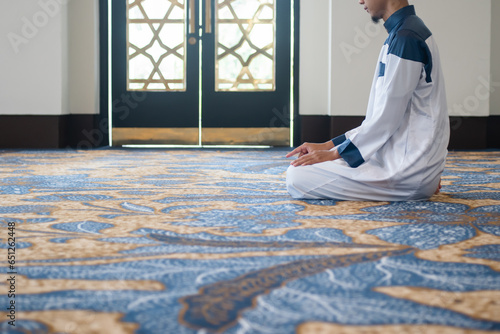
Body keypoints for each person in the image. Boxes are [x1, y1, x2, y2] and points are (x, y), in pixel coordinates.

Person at [286, 0, 449, 201]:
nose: (360, 1)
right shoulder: (406, 31)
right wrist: (328, 146)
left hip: (405, 172)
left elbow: (385, 120)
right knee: (311, 166)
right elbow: (379, 120)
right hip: (409, 165)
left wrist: (333, 154)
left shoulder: (406, 38)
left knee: (297, 176)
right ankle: (423, 180)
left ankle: (418, 183)